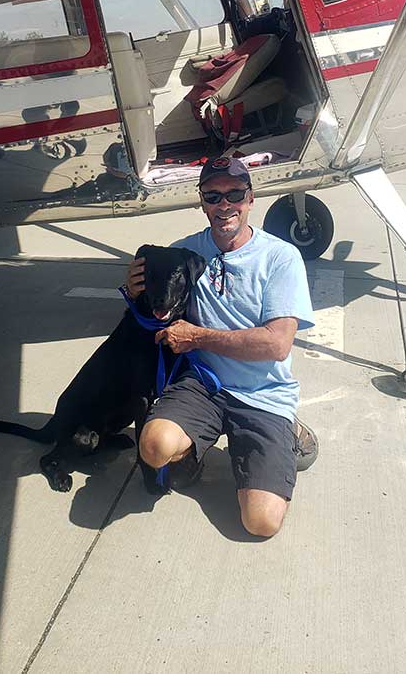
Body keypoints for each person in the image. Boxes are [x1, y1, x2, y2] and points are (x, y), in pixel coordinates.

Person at [125, 156, 316, 539]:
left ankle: (287, 432)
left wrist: (196, 337)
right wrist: (135, 291)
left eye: (234, 194)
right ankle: (190, 455)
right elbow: (155, 308)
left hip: (264, 393)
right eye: (213, 195)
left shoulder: (281, 257)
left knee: (260, 523)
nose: (224, 204)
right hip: (205, 385)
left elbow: (277, 344)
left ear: (250, 198)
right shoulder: (183, 253)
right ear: (202, 202)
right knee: (154, 444)